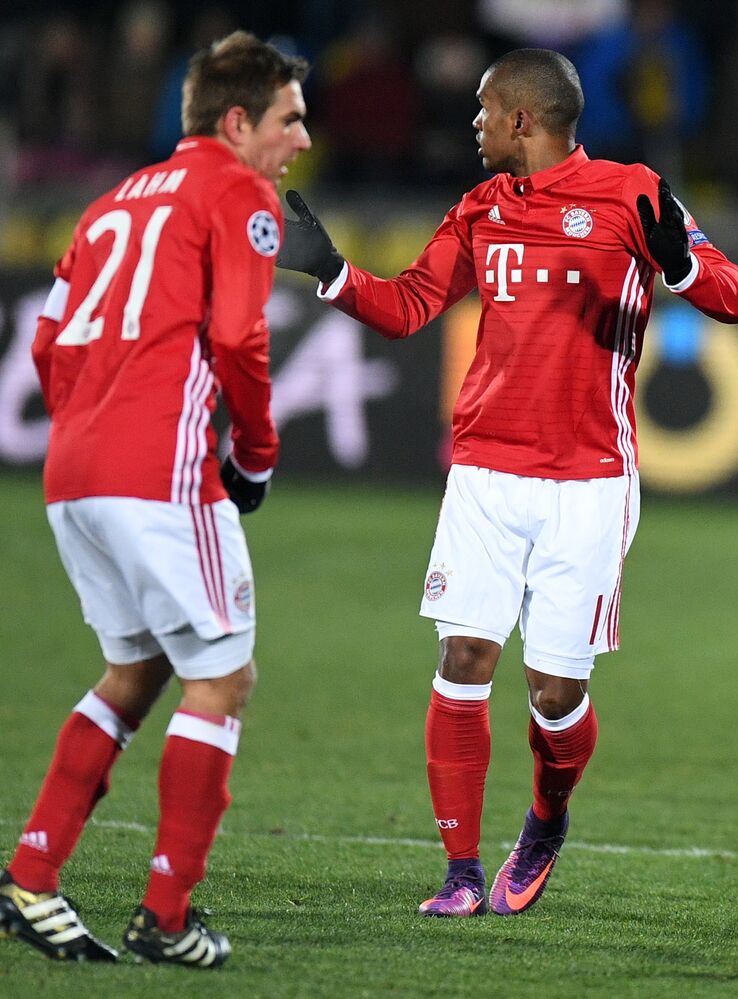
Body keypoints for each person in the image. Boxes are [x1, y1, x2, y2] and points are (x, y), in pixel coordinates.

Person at [275, 47, 738, 918]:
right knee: (462, 660)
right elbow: (411, 304)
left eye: (485, 110)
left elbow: (737, 297)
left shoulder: (633, 192)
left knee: (555, 691)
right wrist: (333, 271)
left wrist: (679, 262)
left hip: (589, 481)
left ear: (523, 120)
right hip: (485, 473)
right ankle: (459, 869)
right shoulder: (479, 208)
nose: (475, 124)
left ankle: (545, 820)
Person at [1, 31, 310, 967]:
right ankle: (168, 914)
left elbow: (49, 345)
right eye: (291, 119)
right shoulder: (240, 194)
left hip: (75, 472)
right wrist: (253, 454)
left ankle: (31, 877)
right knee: (222, 676)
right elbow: (240, 338)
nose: (301, 140)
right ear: (237, 121)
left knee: (134, 672)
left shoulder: (107, 205)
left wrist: (93, 423)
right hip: (159, 471)